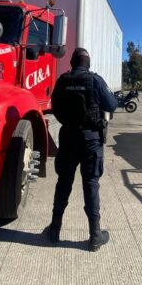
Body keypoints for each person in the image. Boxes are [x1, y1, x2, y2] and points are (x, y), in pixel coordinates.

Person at [46, 47, 118, 251]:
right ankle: (95, 235)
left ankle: (54, 230)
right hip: (90, 140)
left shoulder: (62, 80)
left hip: (68, 137)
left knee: (63, 182)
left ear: (72, 62)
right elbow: (112, 105)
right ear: (88, 63)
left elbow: (56, 108)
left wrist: (69, 123)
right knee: (91, 183)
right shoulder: (95, 80)